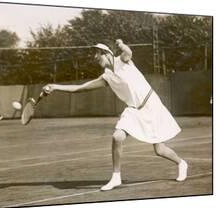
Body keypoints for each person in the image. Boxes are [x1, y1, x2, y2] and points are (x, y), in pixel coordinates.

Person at [42, 39, 188, 191]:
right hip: (133, 110)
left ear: (106, 54)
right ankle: (116, 177)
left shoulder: (123, 61)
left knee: (159, 150)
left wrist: (122, 45)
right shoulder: (106, 77)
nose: (95, 58)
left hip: (151, 105)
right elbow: (80, 88)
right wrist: (55, 86)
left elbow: (128, 53)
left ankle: (181, 163)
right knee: (117, 137)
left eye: (98, 54)